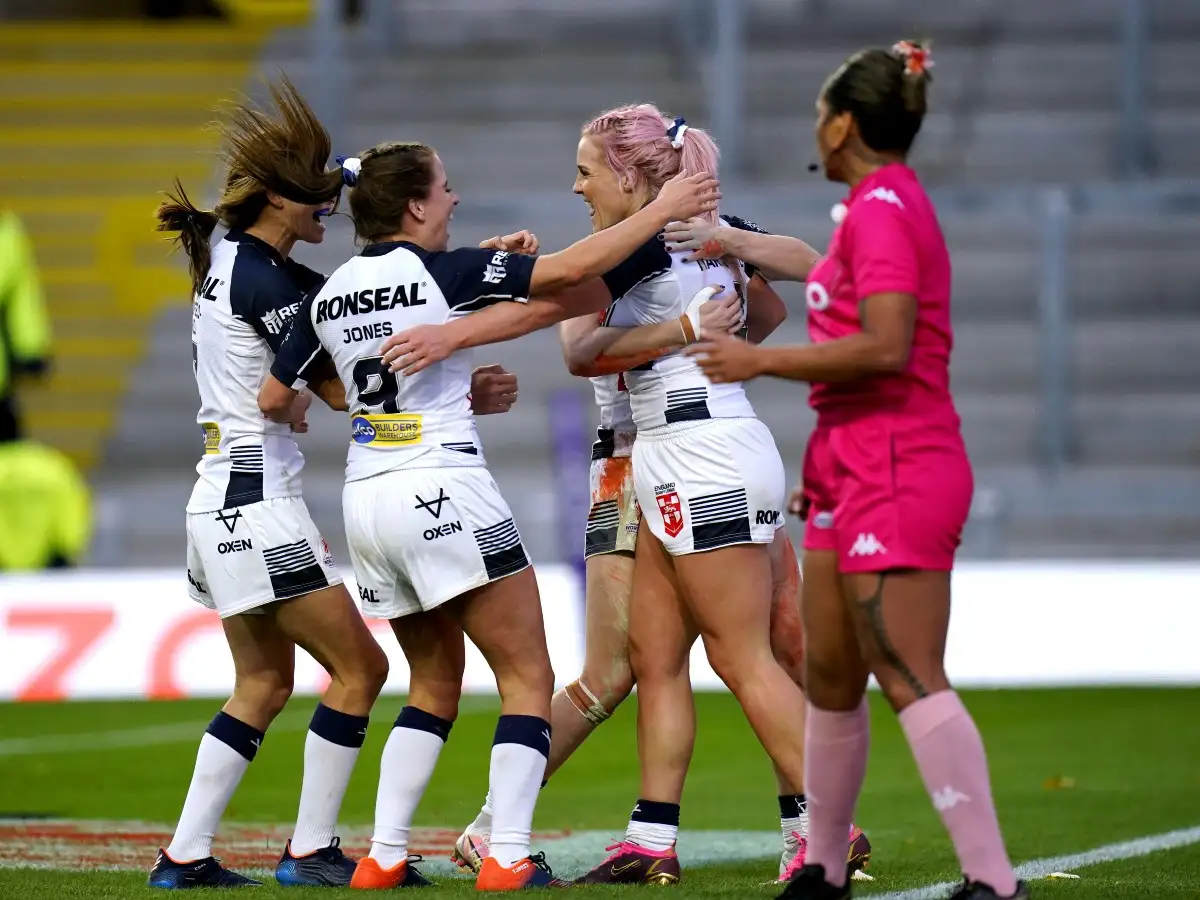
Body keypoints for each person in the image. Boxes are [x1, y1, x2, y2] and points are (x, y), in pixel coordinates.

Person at [377, 104, 867, 887]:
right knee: (668, 657)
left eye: (585, 170)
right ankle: (662, 836)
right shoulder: (680, 238)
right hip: (679, 452)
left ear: (631, 173)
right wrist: (712, 327)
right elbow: (769, 293)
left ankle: (818, 829)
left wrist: (453, 336)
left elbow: (560, 324)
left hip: (682, 455)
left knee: (721, 657)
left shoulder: (643, 247)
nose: (575, 185)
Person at [257, 140, 720, 891]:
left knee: (432, 683)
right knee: (527, 677)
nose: (455, 198)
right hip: (440, 487)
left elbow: (276, 398)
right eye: (444, 187)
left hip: (365, 497)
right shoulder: (445, 271)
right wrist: (665, 208)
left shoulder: (331, 290)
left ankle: (384, 856)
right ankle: (506, 856)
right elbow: (571, 274)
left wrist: (411, 400)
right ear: (413, 204)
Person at [689, 42, 1028, 900]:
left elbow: (884, 347)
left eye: (819, 113)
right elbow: (834, 296)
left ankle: (993, 880)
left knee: (907, 669)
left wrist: (758, 363)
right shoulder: (871, 209)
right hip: (850, 463)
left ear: (843, 123)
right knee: (833, 678)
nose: (814, 126)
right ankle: (823, 870)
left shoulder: (882, 211)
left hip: (901, 462)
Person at [148, 76, 392, 890]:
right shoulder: (274, 284)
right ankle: (311, 850)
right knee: (361, 672)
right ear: (279, 200)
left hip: (215, 497)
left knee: (263, 681)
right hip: (257, 500)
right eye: (319, 196)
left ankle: (184, 856)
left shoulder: (228, 255)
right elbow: (326, 391)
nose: (329, 210)